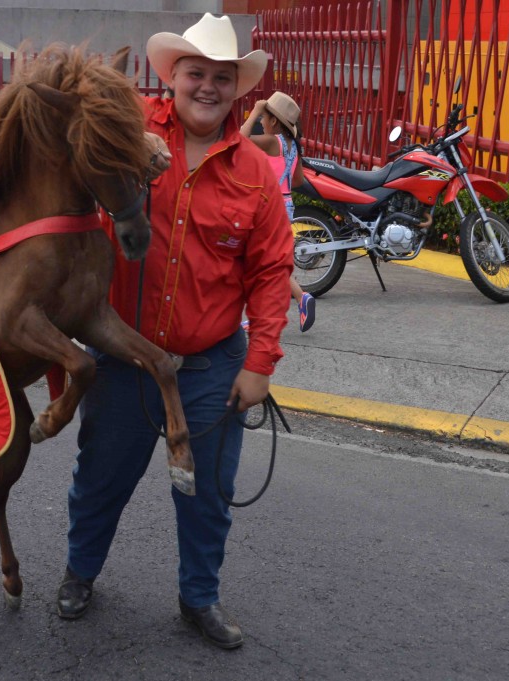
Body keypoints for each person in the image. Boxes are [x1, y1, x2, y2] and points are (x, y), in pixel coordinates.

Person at [56, 13, 293, 650]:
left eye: (222, 77)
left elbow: (273, 273)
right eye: (196, 74)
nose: (208, 87)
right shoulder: (127, 131)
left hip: (213, 363)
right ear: (175, 77)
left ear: (237, 88)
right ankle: (81, 572)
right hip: (124, 353)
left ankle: (199, 598)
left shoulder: (256, 177)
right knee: (101, 474)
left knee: (208, 495)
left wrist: (260, 363)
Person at [240, 92, 316, 332]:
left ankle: (297, 298)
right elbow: (298, 180)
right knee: (268, 262)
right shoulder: (292, 146)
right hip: (287, 206)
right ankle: (297, 299)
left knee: (259, 262)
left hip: (269, 208)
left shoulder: (273, 142)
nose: (261, 121)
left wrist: (254, 110)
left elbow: (239, 141)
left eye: (264, 117)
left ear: (274, 121)